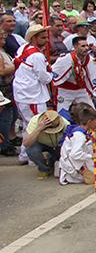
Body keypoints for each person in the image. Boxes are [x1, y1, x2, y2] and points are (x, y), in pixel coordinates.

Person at [13, 24, 54, 162]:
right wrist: (52, 74)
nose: (46, 40)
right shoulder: (36, 55)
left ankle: (24, 155)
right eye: (43, 38)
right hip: (32, 95)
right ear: (35, 38)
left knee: (27, 124)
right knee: (36, 125)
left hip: (23, 93)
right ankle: (31, 157)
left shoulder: (22, 48)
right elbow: (44, 77)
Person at [51, 35, 96, 111]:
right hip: (65, 90)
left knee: (91, 111)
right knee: (61, 113)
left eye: (87, 46)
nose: (86, 48)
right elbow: (53, 75)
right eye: (83, 46)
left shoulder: (91, 60)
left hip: (81, 90)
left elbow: (95, 76)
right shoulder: (66, 59)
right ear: (75, 47)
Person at [57, 104, 96, 186]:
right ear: (89, 122)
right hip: (71, 164)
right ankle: (70, 176)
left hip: (75, 160)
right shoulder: (79, 135)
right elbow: (74, 155)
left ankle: (87, 168)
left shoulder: (82, 131)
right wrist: (90, 156)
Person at [22, 109, 68, 179]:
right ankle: (43, 169)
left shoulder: (65, 123)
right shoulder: (34, 121)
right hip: (41, 144)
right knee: (31, 150)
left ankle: (53, 161)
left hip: (58, 146)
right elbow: (26, 143)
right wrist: (38, 129)